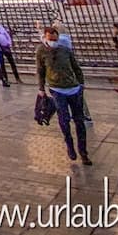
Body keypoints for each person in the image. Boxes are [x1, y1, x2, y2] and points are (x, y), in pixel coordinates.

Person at [36, 25, 92, 165]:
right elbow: (40, 70)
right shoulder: (41, 51)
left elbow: (76, 68)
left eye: (56, 38)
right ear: (45, 37)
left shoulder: (65, 50)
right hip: (56, 89)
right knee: (64, 119)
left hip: (73, 88)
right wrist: (41, 88)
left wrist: (81, 84)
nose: (54, 41)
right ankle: (69, 145)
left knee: (79, 121)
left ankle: (83, 151)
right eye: (51, 38)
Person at [0, 18, 22, 84]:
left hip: (6, 47)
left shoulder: (1, 28)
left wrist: (9, 43)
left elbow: (7, 35)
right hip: (0, 48)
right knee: (2, 64)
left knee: (12, 62)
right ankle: (5, 78)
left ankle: (17, 78)